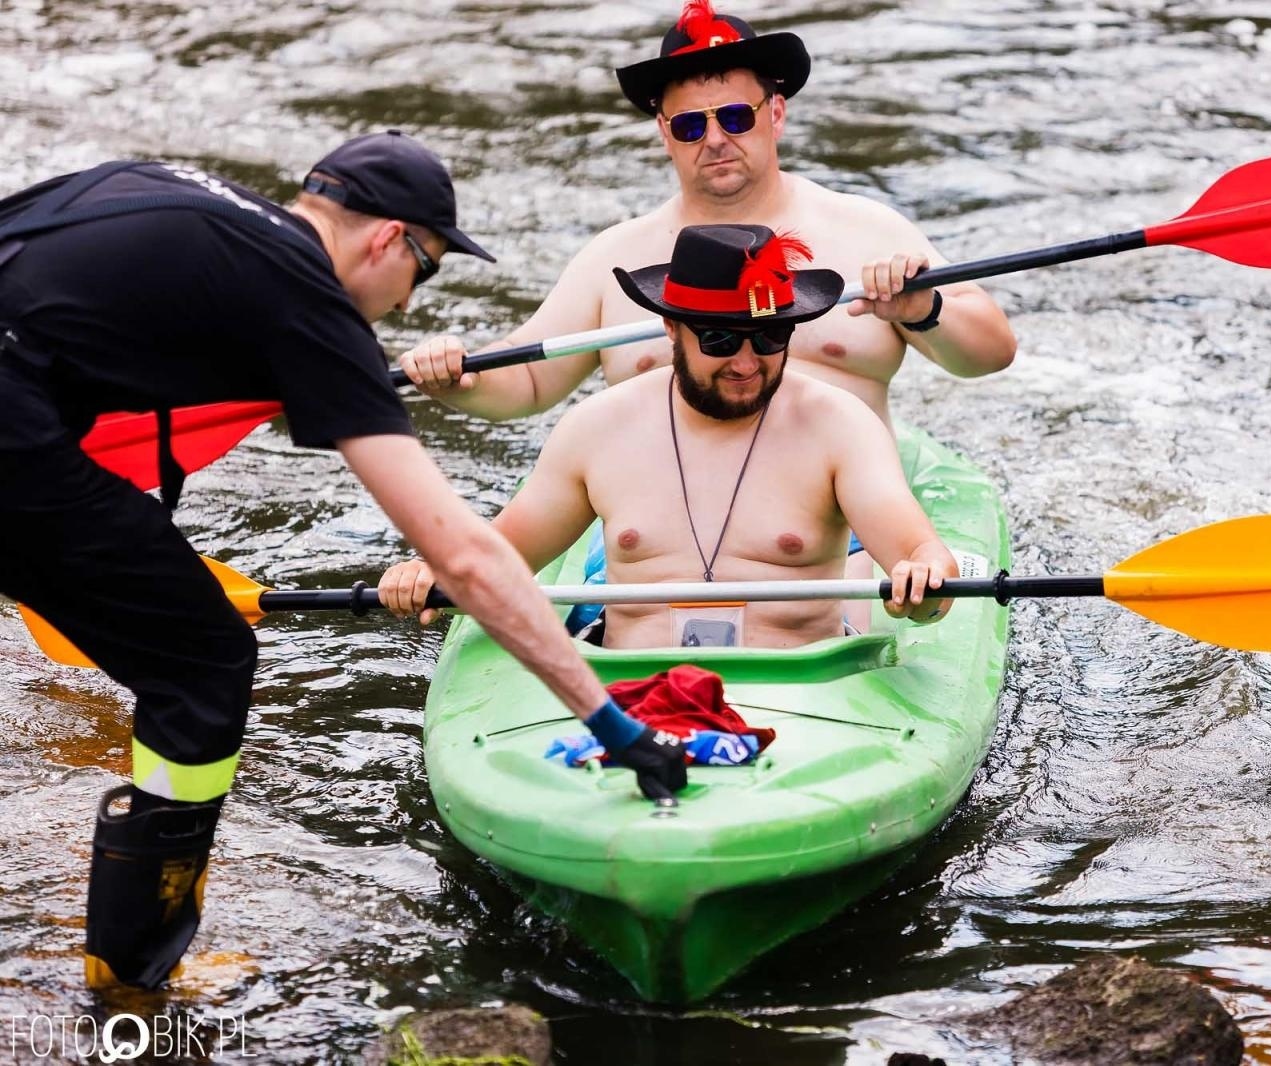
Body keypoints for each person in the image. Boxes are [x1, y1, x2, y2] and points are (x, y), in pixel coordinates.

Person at [0, 131, 684, 992]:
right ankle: (133, 975)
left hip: (27, 399)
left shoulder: (186, 195)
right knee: (205, 663)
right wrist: (610, 722)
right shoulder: (303, 292)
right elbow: (464, 556)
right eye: (424, 271)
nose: (404, 306)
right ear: (388, 239)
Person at [394, 0, 1017, 427]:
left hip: (843, 540)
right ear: (665, 134)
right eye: (691, 124)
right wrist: (459, 380)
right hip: (666, 539)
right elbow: (529, 382)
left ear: (776, 115)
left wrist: (923, 311)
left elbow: (990, 355)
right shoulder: (616, 257)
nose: (715, 139)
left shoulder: (869, 231)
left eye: (737, 117)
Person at [377, 224, 959, 648]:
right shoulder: (598, 428)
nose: (747, 363)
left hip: (805, 679)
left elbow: (921, 556)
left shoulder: (841, 425)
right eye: (722, 341)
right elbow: (499, 558)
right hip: (629, 678)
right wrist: (432, 571)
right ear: (670, 329)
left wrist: (926, 584)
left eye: (770, 338)